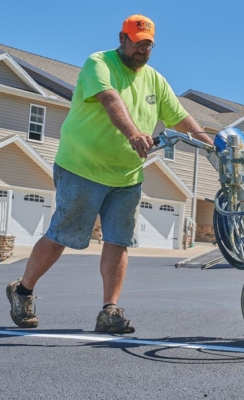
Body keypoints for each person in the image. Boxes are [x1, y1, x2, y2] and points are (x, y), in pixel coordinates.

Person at [6, 14, 213, 334]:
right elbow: (110, 99)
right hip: (81, 166)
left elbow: (182, 119)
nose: (142, 49)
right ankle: (23, 291)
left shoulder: (155, 80)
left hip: (126, 176)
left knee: (118, 241)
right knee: (62, 235)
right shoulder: (98, 64)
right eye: (136, 42)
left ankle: (109, 311)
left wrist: (211, 146)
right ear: (122, 38)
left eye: (148, 44)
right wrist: (133, 133)